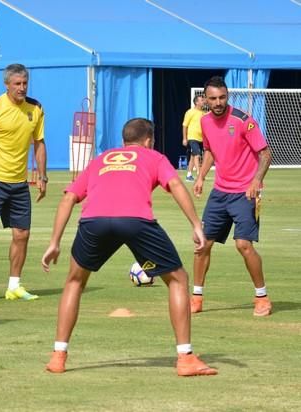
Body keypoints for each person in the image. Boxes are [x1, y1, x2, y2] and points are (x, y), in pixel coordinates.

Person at [42, 118, 217, 377]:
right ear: (149, 140)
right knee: (178, 279)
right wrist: (196, 225)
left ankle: (58, 356)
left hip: (94, 222)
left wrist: (54, 242)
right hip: (136, 221)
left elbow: (69, 197)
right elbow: (177, 185)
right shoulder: (153, 157)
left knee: (75, 281)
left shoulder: (101, 159)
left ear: (124, 140)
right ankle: (185, 357)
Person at [192, 76, 273, 316]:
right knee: (202, 244)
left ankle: (262, 297)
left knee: (243, 245)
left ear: (228, 96)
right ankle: (196, 297)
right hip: (219, 193)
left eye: (222, 97)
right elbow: (209, 151)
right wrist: (201, 177)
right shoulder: (205, 122)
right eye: (213, 98)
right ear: (205, 99)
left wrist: (256, 181)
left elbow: (266, 154)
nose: (218, 102)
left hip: (244, 193)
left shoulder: (243, 121)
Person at [0, 63, 47, 303]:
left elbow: (40, 143)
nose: (22, 88)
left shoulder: (35, 108)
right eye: (17, 84)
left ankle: (14, 285)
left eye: (25, 83)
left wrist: (42, 176)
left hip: (20, 183)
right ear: (7, 85)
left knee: (22, 234)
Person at [182, 95, 206, 182]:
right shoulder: (190, 112)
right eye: (201, 100)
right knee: (197, 154)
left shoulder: (203, 113)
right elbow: (185, 125)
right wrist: (184, 138)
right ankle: (199, 174)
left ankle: (189, 175)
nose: (203, 101)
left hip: (201, 138)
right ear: (196, 102)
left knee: (193, 156)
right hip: (192, 137)